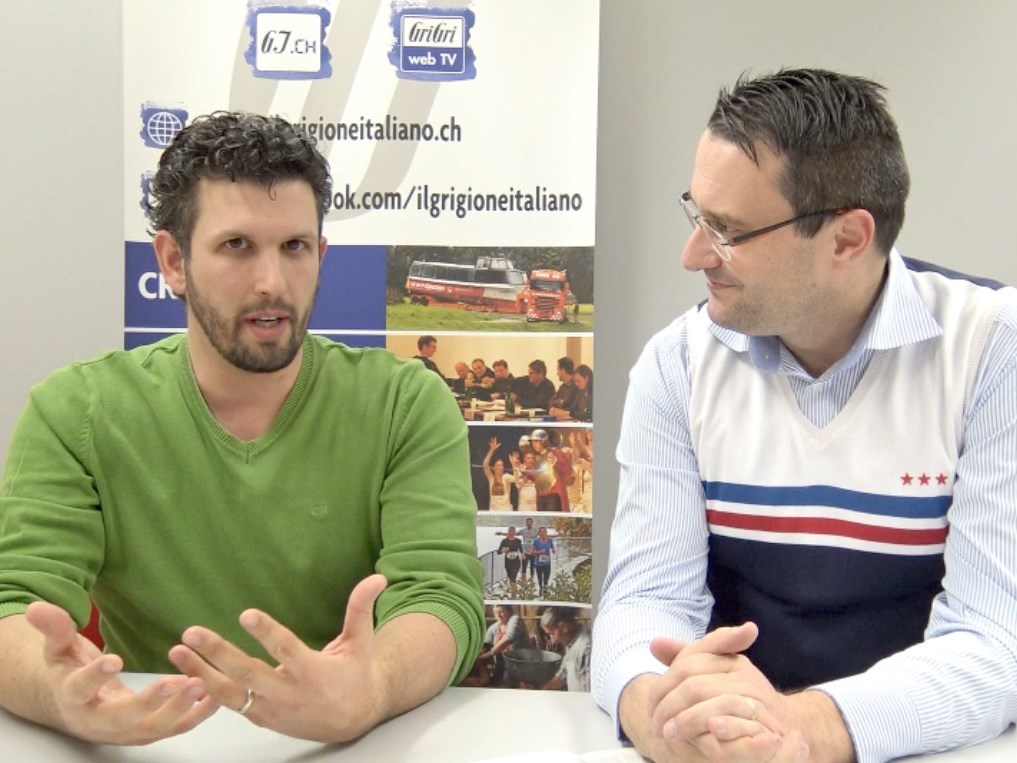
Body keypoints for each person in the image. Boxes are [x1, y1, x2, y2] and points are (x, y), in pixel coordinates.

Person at [0, 111, 485, 746]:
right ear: (173, 261)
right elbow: (16, 601)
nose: (272, 283)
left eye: (295, 247)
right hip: (156, 745)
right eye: (237, 246)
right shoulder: (77, 411)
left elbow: (440, 594)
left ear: (321, 255)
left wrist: (371, 687)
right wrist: (62, 696)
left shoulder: (405, 403)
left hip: (354, 745)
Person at [592, 68, 1017, 763]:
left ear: (847, 238)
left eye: (727, 230)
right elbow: (643, 598)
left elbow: (994, 638)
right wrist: (655, 711)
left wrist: (801, 727)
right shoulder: (678, 364)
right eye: (697, 215)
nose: (692, 255)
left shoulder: (991, 349)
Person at [478, 604, 533, 687]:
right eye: (495, 613)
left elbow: (509, 637)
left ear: (509, 611)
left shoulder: (515, 619)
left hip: (521, 665)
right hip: (502, 667)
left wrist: (490, 653)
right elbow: (485, 647)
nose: (498, 615)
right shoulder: (493, 628)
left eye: (501, 612)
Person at [540, 607, 591, 692]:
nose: (552, 640)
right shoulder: (571, 642)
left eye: (552, 634)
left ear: (563, 627)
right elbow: (563, 672)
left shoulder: (585, 647)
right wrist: (545, 690)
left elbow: (587, 691)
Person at [529, 428, 572, 513]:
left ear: (543, 441)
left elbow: (568, 470)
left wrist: (555, 462)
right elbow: (536, 478)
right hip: (541, 496)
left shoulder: (556, 453)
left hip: (554, 494)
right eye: (533, 442)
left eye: (536, 442)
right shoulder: (536, 458)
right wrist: (520, 469)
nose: (534, 445)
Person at [483, 437, 516, 512]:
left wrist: (514, 465)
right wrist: (492, 450)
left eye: (502, 465)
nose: (500, 467)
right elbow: (485, 464)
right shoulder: (491, 478)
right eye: (498, 465)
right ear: (493, 468)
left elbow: (516, 479)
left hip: (506, 511)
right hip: (493, 511)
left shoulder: (506, 477)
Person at [531, 526, 556, 598]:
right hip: (539, 564)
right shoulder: (536, 541)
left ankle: (545, 592)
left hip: (547, 564)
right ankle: (540, 589)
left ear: (546, 532)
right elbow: (532, 552)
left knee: (546, 580)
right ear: (539, 533)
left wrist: (553, 550)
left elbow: (552, 547)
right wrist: (540, 552)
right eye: (541, 532)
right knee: (540, 579)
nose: (543, 533)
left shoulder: (550, 540)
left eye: (544, 531)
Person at [517, 515, 539, 582]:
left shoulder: (536, 530)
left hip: (533, 552)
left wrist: (557, 535)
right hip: (525, 552)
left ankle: (531, 579)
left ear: (532, 523)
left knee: (532, 567)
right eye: (527, 522)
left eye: (530, 522)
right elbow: (513, 533)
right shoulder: (523, 531)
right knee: (523, 567)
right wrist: (502, 533)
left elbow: (544, 535)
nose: (529, 523)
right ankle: (523, 581)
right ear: (526, 523)